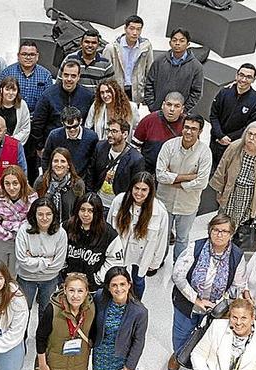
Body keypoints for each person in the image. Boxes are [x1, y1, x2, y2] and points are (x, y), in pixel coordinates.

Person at [170, 214, 246, 370]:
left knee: (207, 336)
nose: (220, 234)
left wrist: (219, 304)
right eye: (216, 230)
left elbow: (237, 286)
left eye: (224, 231)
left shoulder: (237, 256)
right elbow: (178, 275)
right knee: (181, 333)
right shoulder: (195, 247)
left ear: (231, 234)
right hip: (188, 302)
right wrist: (196, 300)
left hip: (217, 307)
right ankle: (178, 355)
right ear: (209, 231)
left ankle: (197, 360)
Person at [87, 266, 147, 370]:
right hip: (102, 348)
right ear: (108, 287)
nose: (118, 289)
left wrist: (131, 364)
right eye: (114, 285)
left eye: (122, 284)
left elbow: (139, 340)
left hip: (122, 354)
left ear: (129, 284)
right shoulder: (100, 298)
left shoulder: (139, 311)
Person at [156, 114, 212, 260]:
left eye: (194, 129)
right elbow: (160, 176)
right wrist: (188, 177)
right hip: (164, 202)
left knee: (182, 238)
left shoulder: (205, 153)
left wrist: (173, 180)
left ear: (200, 132)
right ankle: (158, 261)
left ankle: (179, 266)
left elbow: (202, 182)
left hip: (187, 206)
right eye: (186, 127)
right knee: (161, 236)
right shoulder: (169, 146)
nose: (188, 131)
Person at [107, 172, 169, 300]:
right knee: (117, 278)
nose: (139, 193)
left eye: (144, 190)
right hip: (120, 249)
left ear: (150, 191)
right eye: (136, 188)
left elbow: (162, 239)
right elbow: (108, 227)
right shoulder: (119, 201)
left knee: (138, 280)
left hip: (143, 253)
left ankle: (136, 304)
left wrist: (156, 262)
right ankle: (117, 303)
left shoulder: (159, 211)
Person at [210, 122, 256, 226]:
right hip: (231, 189)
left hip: (250, 194)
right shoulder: (235, 147)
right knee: (222, 220)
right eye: (249, 134)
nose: (251, 138)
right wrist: (219, 190)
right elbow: (222, 168)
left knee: (240, 225)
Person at [15, 197, 68, 322]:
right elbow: (22, 261)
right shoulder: (24, 230)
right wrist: (46, 260)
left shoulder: (61, 233)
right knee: (22, 312)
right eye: (40, 214)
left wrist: (33, 259)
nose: (44, 218)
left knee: (46, 313)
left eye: (48, 214)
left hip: (49, 280)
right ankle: (22, 340)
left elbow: (58, 265)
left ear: (54, 215)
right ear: (34, 214)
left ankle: (41, 341)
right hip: (26, 278)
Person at [62, 193, 124, 292]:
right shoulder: (66, 227)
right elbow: (56, 249)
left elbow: (115, 261)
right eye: (82, 210)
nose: (85, 214)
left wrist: (98, 278)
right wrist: (63, 270)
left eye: (91, 211)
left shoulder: (109, 234)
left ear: (98, 212)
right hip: (68, 286)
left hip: (93, 289)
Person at [209, 64, 256, 168]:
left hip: (235, 145)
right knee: (211, 168)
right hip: (215, 140)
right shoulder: (224, 92)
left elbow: (249, 127)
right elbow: (213, 115)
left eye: (248, 77)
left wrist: (228, 139)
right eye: (241, 75)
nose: (243, 79)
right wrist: (220, 135)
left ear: (254, 79)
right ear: (236, 76)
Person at [0, 165, 38, 274]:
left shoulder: (32, 198)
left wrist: (5, 223)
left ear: (22, 183)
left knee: (15, 274)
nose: (11, 187)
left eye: (15, 183)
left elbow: (31, 223)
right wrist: (14, 231)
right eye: (7, 183)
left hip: (22, 242)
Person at [87, 118, 145, 210]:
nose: (110, 134)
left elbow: (135, 186)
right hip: (98, 201)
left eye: (114, 131)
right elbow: (91, 172)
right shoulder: (100, 147)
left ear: (125, 134)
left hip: (118, 205)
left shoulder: (136, 159)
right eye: (109, 131)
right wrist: (90, 195)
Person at [143, 28, 203, 112]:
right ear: (170, 43)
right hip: (157, 111)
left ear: (188, 44)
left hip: (179, 114)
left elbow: (196, 93)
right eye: (174, 40)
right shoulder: (159, 61)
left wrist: (183, 110)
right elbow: (149, 83)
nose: (177, 43)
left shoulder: (196, 67)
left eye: (182, 41)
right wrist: (152, 105)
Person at [101, 15, 154, 104]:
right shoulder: (112, 48)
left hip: (136, 91)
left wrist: (147, 92)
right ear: (125, 29)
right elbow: (104, 73)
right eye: (132, 28)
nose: (135, 32)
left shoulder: (146, 47)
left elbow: (150, 70)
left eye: (138, 29)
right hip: (116, 90)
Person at [132, 91, 185, 174]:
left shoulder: (187, 125)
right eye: (169, 104)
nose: (172, 109)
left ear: (182, 109)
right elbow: (134, 147)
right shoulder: (148, 120)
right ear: (163, 105)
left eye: (177, 106)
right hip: (148, 171)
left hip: (174, 173)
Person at [0, 40, 53, 114]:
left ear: (37, 56)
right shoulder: (7, 73)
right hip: (11, 116)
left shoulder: (46, 75)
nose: (28, 57)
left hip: (37, 118)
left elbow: (49, 101)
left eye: (32, 54)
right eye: (24, 54)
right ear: (18, 56)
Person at [42, 106, 99, 178]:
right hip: (58, 179)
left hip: (82, 179)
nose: (72, 130)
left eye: (75, 126)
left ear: (80, 121)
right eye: (68, 127)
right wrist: (48, 178)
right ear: (63, 124)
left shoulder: (91, 137)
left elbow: (93, 163)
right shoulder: (54, 136)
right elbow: (46, 158)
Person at [34, 147, 86, 224]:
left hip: (68, 229)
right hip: (44, 227)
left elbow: (80, 210)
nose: (59, 165)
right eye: (55, 161)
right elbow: (34, 207)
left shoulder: (77, 184)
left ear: (68, 165)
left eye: (63, 161)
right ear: (51, 164)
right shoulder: (41, 182)